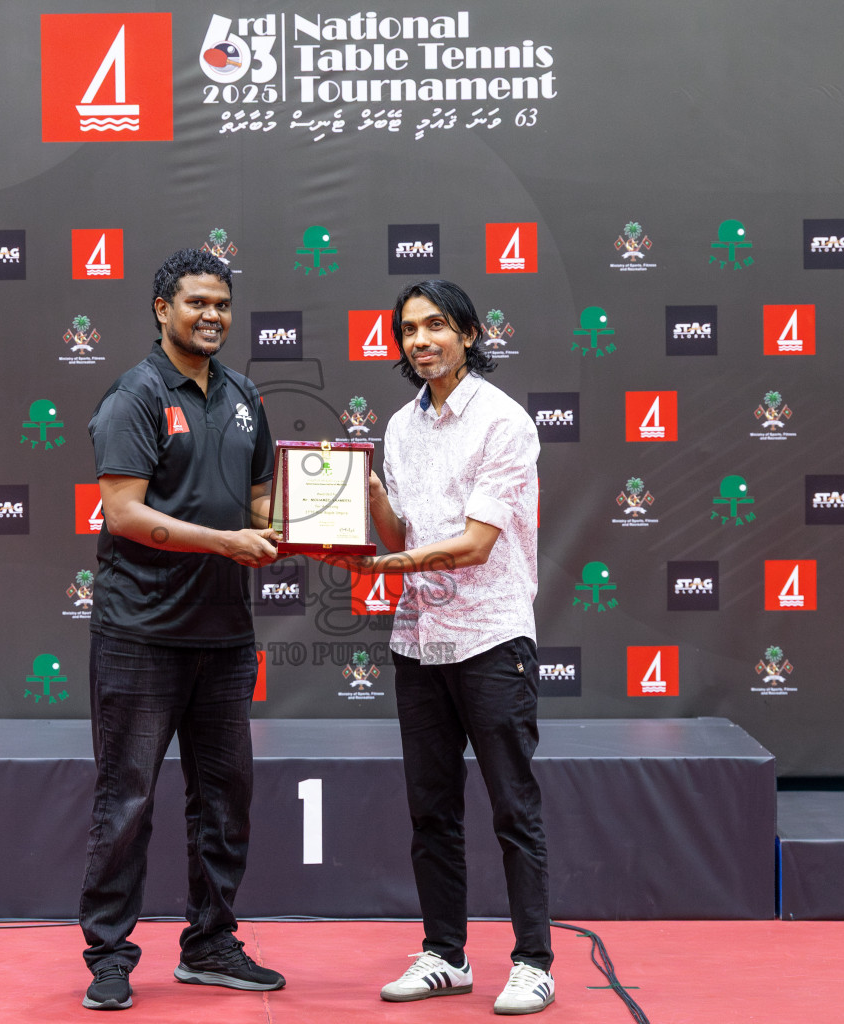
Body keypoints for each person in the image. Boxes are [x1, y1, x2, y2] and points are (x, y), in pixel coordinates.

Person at [315, 279, 552, 1015]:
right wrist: (359, 497)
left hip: (491, 636)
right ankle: (446, 954)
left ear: (471, 334)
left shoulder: (504, 423)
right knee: (431, 810)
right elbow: (398, 533)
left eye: (436, 326)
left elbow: (477, 545)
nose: (421, 341)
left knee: (514, 808)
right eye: (409, 330)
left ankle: (534, 962)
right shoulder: (398, 426)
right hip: (419, 640)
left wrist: (392, 566)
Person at [78, 248, 285, 1011]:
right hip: (141, 635)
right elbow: (124, 512)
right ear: (162, 309)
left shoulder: (242, 394)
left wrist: (333, 518)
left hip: (226, 635)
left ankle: (210, 944)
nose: (212, 316)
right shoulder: (134, 395)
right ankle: (108, 953)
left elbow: (260, 505)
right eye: (196, 302)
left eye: (222, 305)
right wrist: (226, 543)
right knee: (125, 800)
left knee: (226, 797)